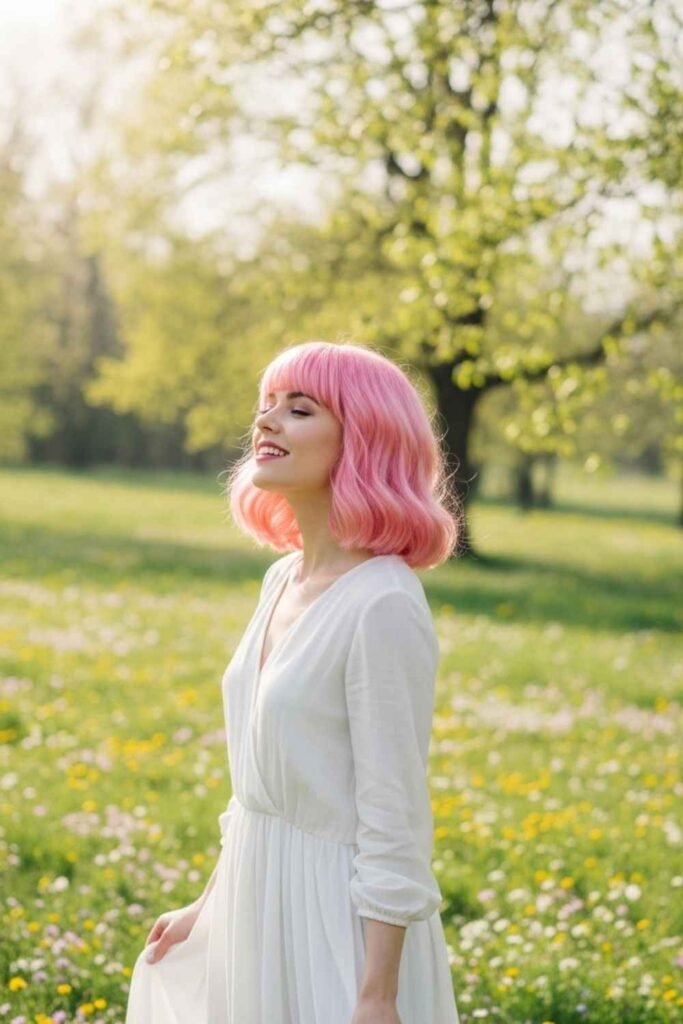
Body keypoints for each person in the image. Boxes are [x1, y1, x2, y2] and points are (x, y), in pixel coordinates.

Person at [124, 339, 462, 1024]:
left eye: (298, 409)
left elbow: (392, 816)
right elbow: (262, 787)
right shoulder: (282, 578)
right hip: (257, 893)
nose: (267, 421)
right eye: (266, 404)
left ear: (362, 441)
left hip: (334, 917)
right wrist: (208, 904)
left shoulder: (382, 603)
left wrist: (376, 995)